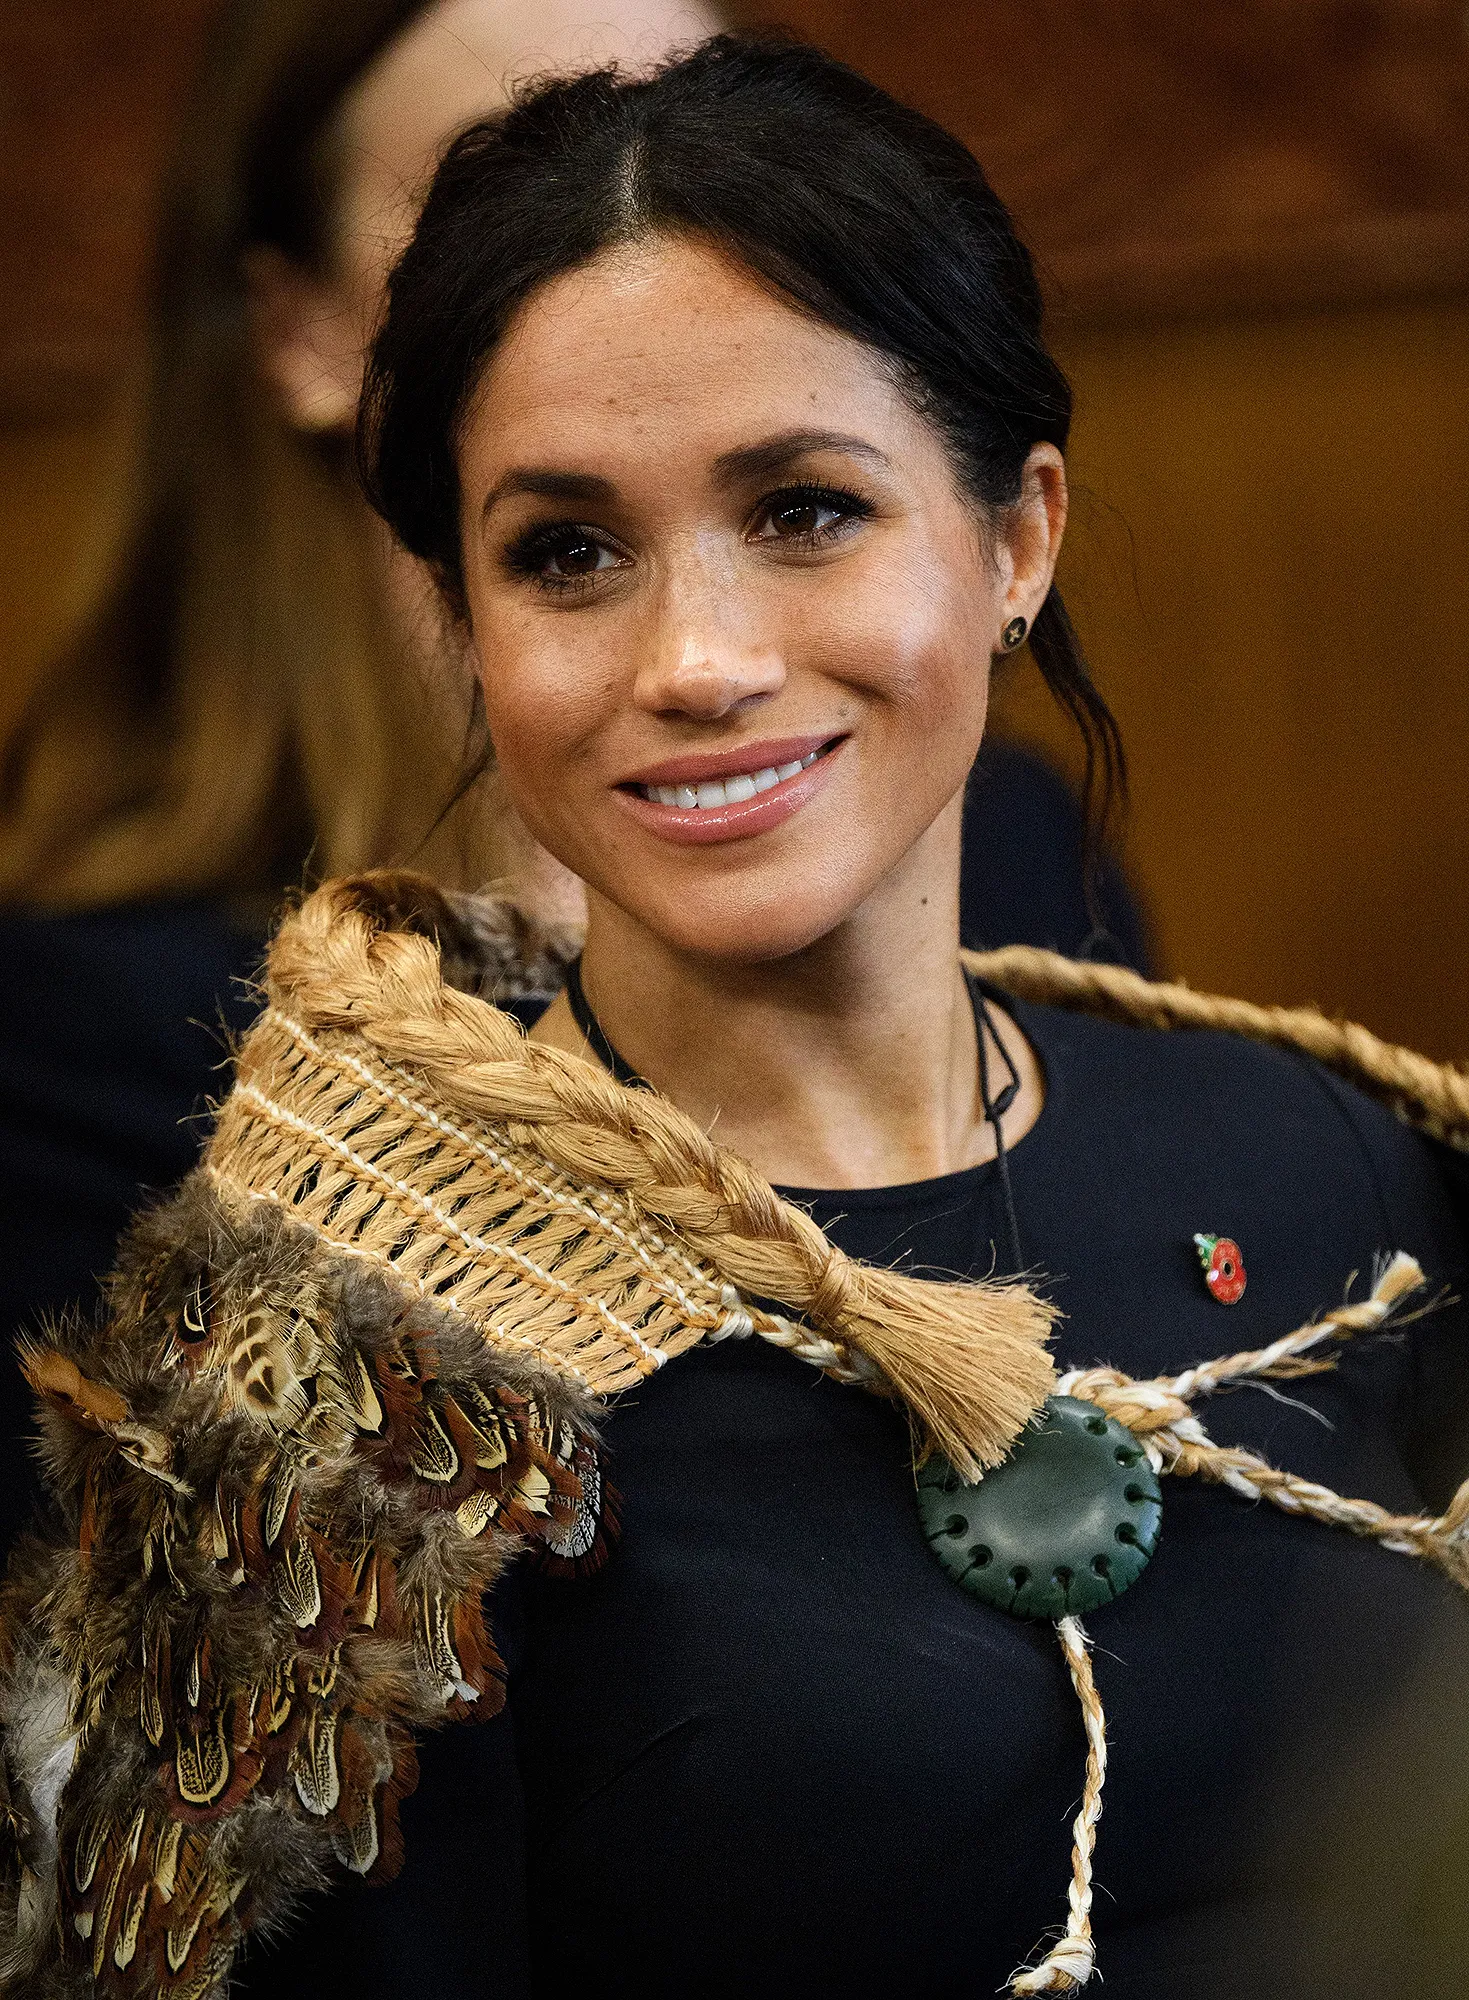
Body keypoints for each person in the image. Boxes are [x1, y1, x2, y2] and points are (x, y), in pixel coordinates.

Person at [13, 36, 1438, 2000]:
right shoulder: (342, 1387)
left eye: (803, 510)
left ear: (1014, 538)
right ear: (463, 623)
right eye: (567, 554)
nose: (694, 658)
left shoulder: (1332, 1168)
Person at [0, 0, 1142, 1556]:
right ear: (299, 330)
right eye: (496, 172)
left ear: (1022, 538)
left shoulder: (1008, 846)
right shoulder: (105, 1034)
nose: (633, 207)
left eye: (688, 120)